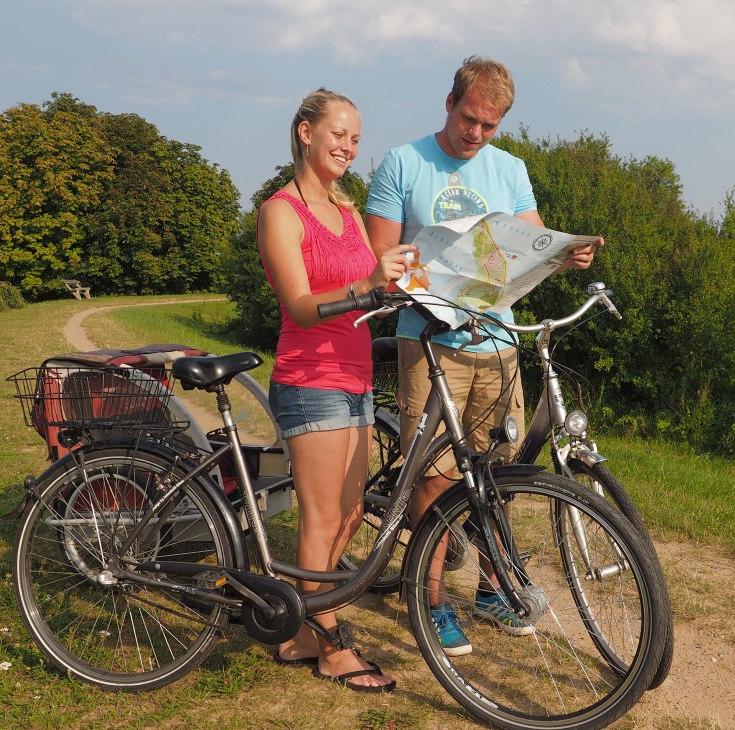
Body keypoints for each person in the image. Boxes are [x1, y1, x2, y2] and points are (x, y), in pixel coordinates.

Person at [365, 56, 598, 656]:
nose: (476, 133)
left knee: (499, 473)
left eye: (489, 125)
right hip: (431, 341)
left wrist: (566, 254)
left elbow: (534, 246)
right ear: (450, 102)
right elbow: (379, 260)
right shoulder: (403, 163)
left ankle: (494, 588)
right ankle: (432, 599)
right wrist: (415, 277)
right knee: (436, 477)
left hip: (497, 341)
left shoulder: (510, 169)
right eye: (469, 118)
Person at [257, 88, 412, 691]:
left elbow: (373, 287)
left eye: (355, 139)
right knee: (321, 520)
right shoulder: (281, 212)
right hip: (309, 379)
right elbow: (300, 304)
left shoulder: (347, 212)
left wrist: (404, 280)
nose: (348, 146)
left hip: (356, 378)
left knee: (349, 513)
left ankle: (301, 631)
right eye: (338, 134)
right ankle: (330, 644)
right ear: (306, 132)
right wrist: (370, 283)